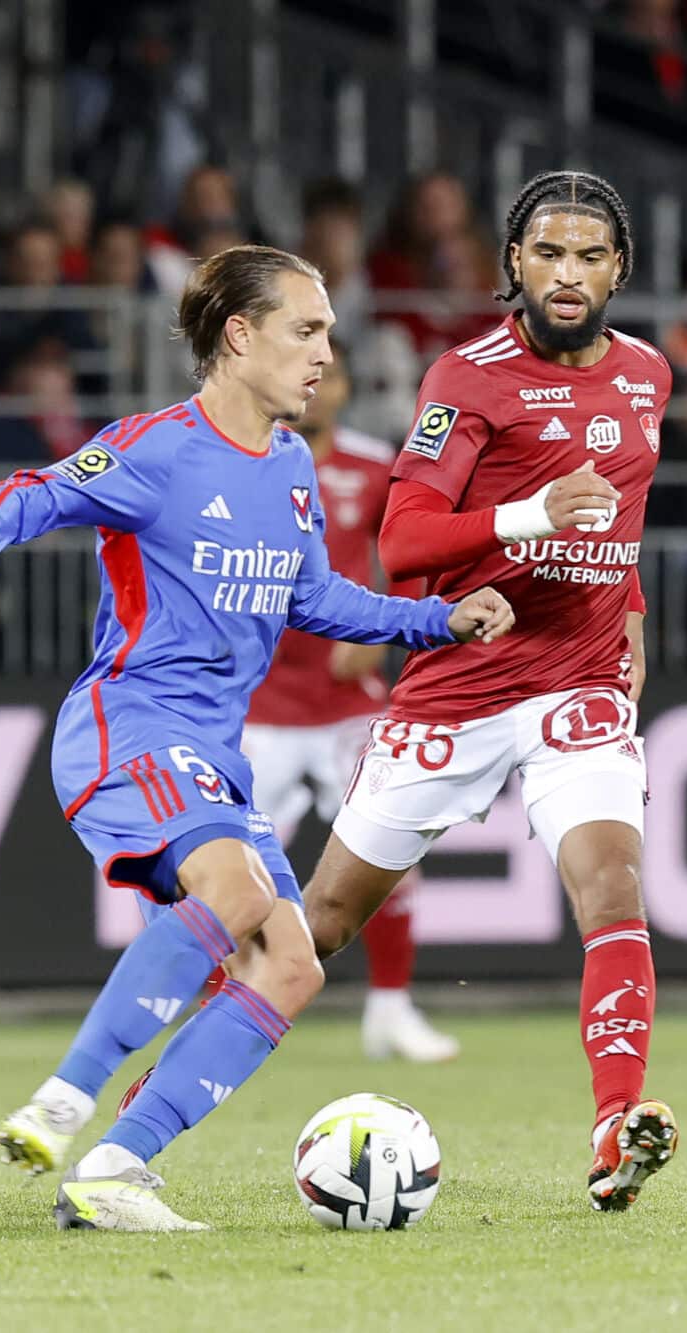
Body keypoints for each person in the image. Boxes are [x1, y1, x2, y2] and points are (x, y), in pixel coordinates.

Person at [0, 244, 514, 1233]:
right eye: (305, 329)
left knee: (291, 963)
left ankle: (111, 1167)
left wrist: (435, 620)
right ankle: (61, 1101)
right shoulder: (155, 447)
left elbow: (312, 595)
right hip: (128, 722)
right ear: (239, 336)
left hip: (211, 752)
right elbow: (46, 487)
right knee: (236, 899)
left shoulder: (286, 466)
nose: (325, 351)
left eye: (327, 331)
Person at [301, 169, 679, 1213]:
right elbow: (403, 541)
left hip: (581, 683)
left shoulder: (647, 375)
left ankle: (615, 1126)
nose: (566, 274)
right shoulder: (465, 379)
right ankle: (140, 1115)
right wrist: (530, 515)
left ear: (619, 268)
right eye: (547, 253)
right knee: (319, 923)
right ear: (513, 263)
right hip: (460, 682)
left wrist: (631, 605)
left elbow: (621, 516)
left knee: (612, 889)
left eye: (588, 255)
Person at [238, 347, 460, 1063]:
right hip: (256, 703)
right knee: (222, 862)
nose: (316, 386)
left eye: (329, 374)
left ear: (343, 388)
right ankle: (225, 1003)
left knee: (390, 853)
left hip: (347, 703)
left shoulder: (372, 466)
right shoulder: (236, 460)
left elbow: (412, 554)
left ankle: (390, 1008)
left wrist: (386, 629)